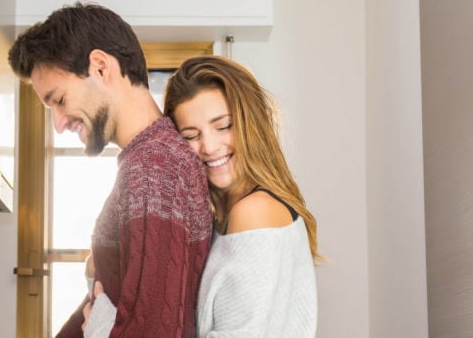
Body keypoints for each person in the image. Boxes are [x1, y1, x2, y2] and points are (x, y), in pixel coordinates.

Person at [8, 2, 213, 338]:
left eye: (59, 100)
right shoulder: (147, 160)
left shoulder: (154, 166)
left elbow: (152, 330)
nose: (58, 125)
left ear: (101, 68)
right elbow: (109, 297)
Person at [85, 56, 321, 337]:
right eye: (190, 135)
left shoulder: (254, 212)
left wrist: (101, 328)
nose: (209, 146)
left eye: (223, 126)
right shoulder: (224, 219)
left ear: (252, 124)